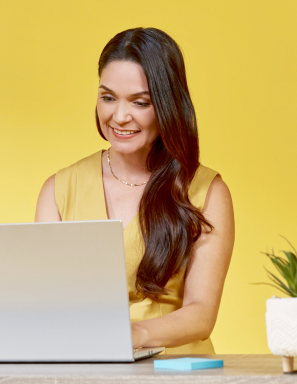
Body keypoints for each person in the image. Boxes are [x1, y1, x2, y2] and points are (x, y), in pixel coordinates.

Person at [35, 27, 235, 354]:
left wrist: (132, 336)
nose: (119, 116)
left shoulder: (206, 191)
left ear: (168, 105)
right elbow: (47, 302)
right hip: (90, 369)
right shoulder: (59, 189)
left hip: (178, 371)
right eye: (108, 97)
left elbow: (201, 313)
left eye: (140, 102)